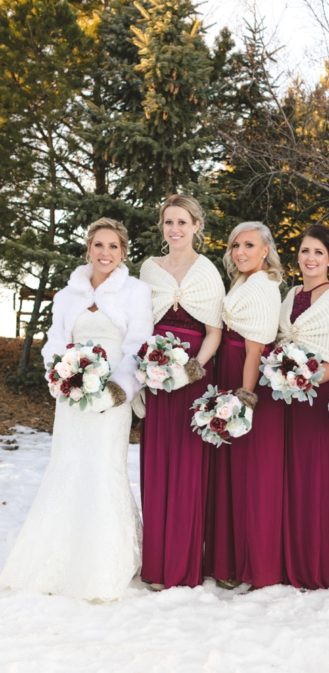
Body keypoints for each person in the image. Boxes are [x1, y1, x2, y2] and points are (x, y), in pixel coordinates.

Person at [0, 218, 152, 601]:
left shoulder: (135, 291)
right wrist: (60, 375)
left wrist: (118, 388)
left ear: (123, 251)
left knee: (103, 466)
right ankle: (56, 557)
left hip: (112, 393)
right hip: (72, 394)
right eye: (98, 245)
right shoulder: (69, 294)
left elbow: (138, 343)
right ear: (89, 248)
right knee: (68, 463)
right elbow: (55, 340)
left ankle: (105, 564)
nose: (105, 253)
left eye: (113, 246)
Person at [139, 194, 225, 589]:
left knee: (190, 467)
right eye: (169, 222)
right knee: (158, 464)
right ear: (163, 227)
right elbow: (139, 325)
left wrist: (195, 367)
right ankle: (158, 565)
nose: (175, 229)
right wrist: (146, 368)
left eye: (182, 222)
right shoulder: (149, 270)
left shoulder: (207, 270)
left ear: (196, 226)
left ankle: (184, 564)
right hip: (157, 376)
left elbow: (214, 330)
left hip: (193, 377)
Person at [205, 221, 284, 589]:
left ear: (265, 250)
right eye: (236, 245)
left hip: (245, 377)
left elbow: (256, 348)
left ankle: (255, 564)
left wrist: (244, 398)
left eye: (249, 245)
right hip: (229, 367)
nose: (240, 252)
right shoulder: (243, 281)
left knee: (251, 472)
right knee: (231, 471)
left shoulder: (265, 286)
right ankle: (229, 559)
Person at [278, 224, 329, 589]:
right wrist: (282, 378)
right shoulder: (290, 294)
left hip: (317, 400)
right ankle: (289, 558)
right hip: (285, 400)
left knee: (315, 479)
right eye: (305, 251)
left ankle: (316, 566)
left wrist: (302, 381)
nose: (310, 259)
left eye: (318, 253)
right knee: (290, 479)